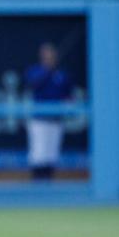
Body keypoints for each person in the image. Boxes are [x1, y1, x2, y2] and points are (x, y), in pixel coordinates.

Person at [24, 43, 74, 180]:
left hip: (56, 119)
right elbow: (33, 83)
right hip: (39, 120)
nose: (49, 58)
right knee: (39, 153)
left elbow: (69, 94)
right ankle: (37, 184)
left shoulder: (61, 74)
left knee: (52, 154)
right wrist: (47, 70)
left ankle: (49, 184)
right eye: (46, 56)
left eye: (51, 55)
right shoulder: (35, 71)